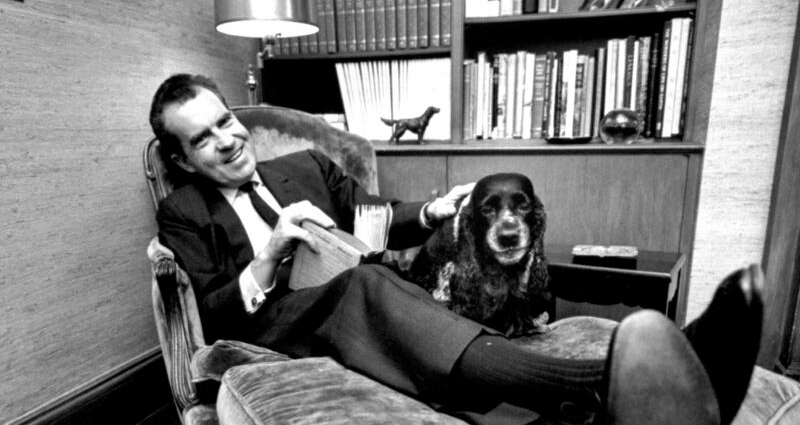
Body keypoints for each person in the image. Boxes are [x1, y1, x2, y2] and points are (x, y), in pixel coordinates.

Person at [149, 74, 763, 424]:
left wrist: (435, 210)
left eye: (226, 121)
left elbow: (377, 220)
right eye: (203, 139)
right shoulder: (185, 213)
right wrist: (267, 255)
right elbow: (213, 315)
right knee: (368, 284)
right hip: (283, 323)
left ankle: (599, 399)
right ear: (181, 159)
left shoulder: (304, 166)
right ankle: (605, 380)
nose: (227, 141)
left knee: (394, 280)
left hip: (359, 294)